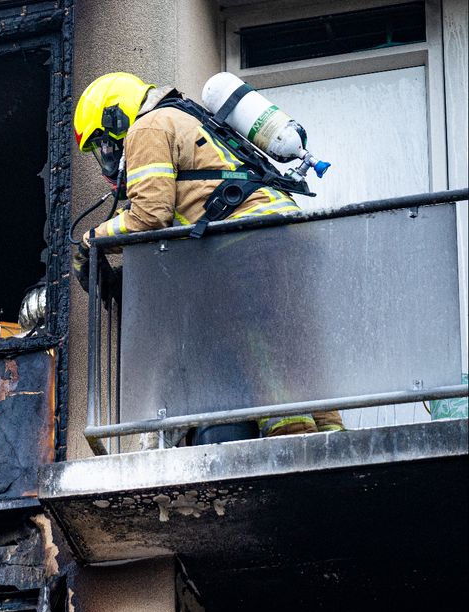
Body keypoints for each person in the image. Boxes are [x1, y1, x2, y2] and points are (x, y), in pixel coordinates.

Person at [71, 72, 344, 439]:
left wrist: (93, 240)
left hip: (249, 244)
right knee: (296, 351)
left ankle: (291, 440)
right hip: (289, 232)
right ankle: (332, 438)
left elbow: (150, 216)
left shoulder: (148, 128)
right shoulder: (186, 117)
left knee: (256, 344)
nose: (108, 157)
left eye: (105, 144)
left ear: (117, 119)